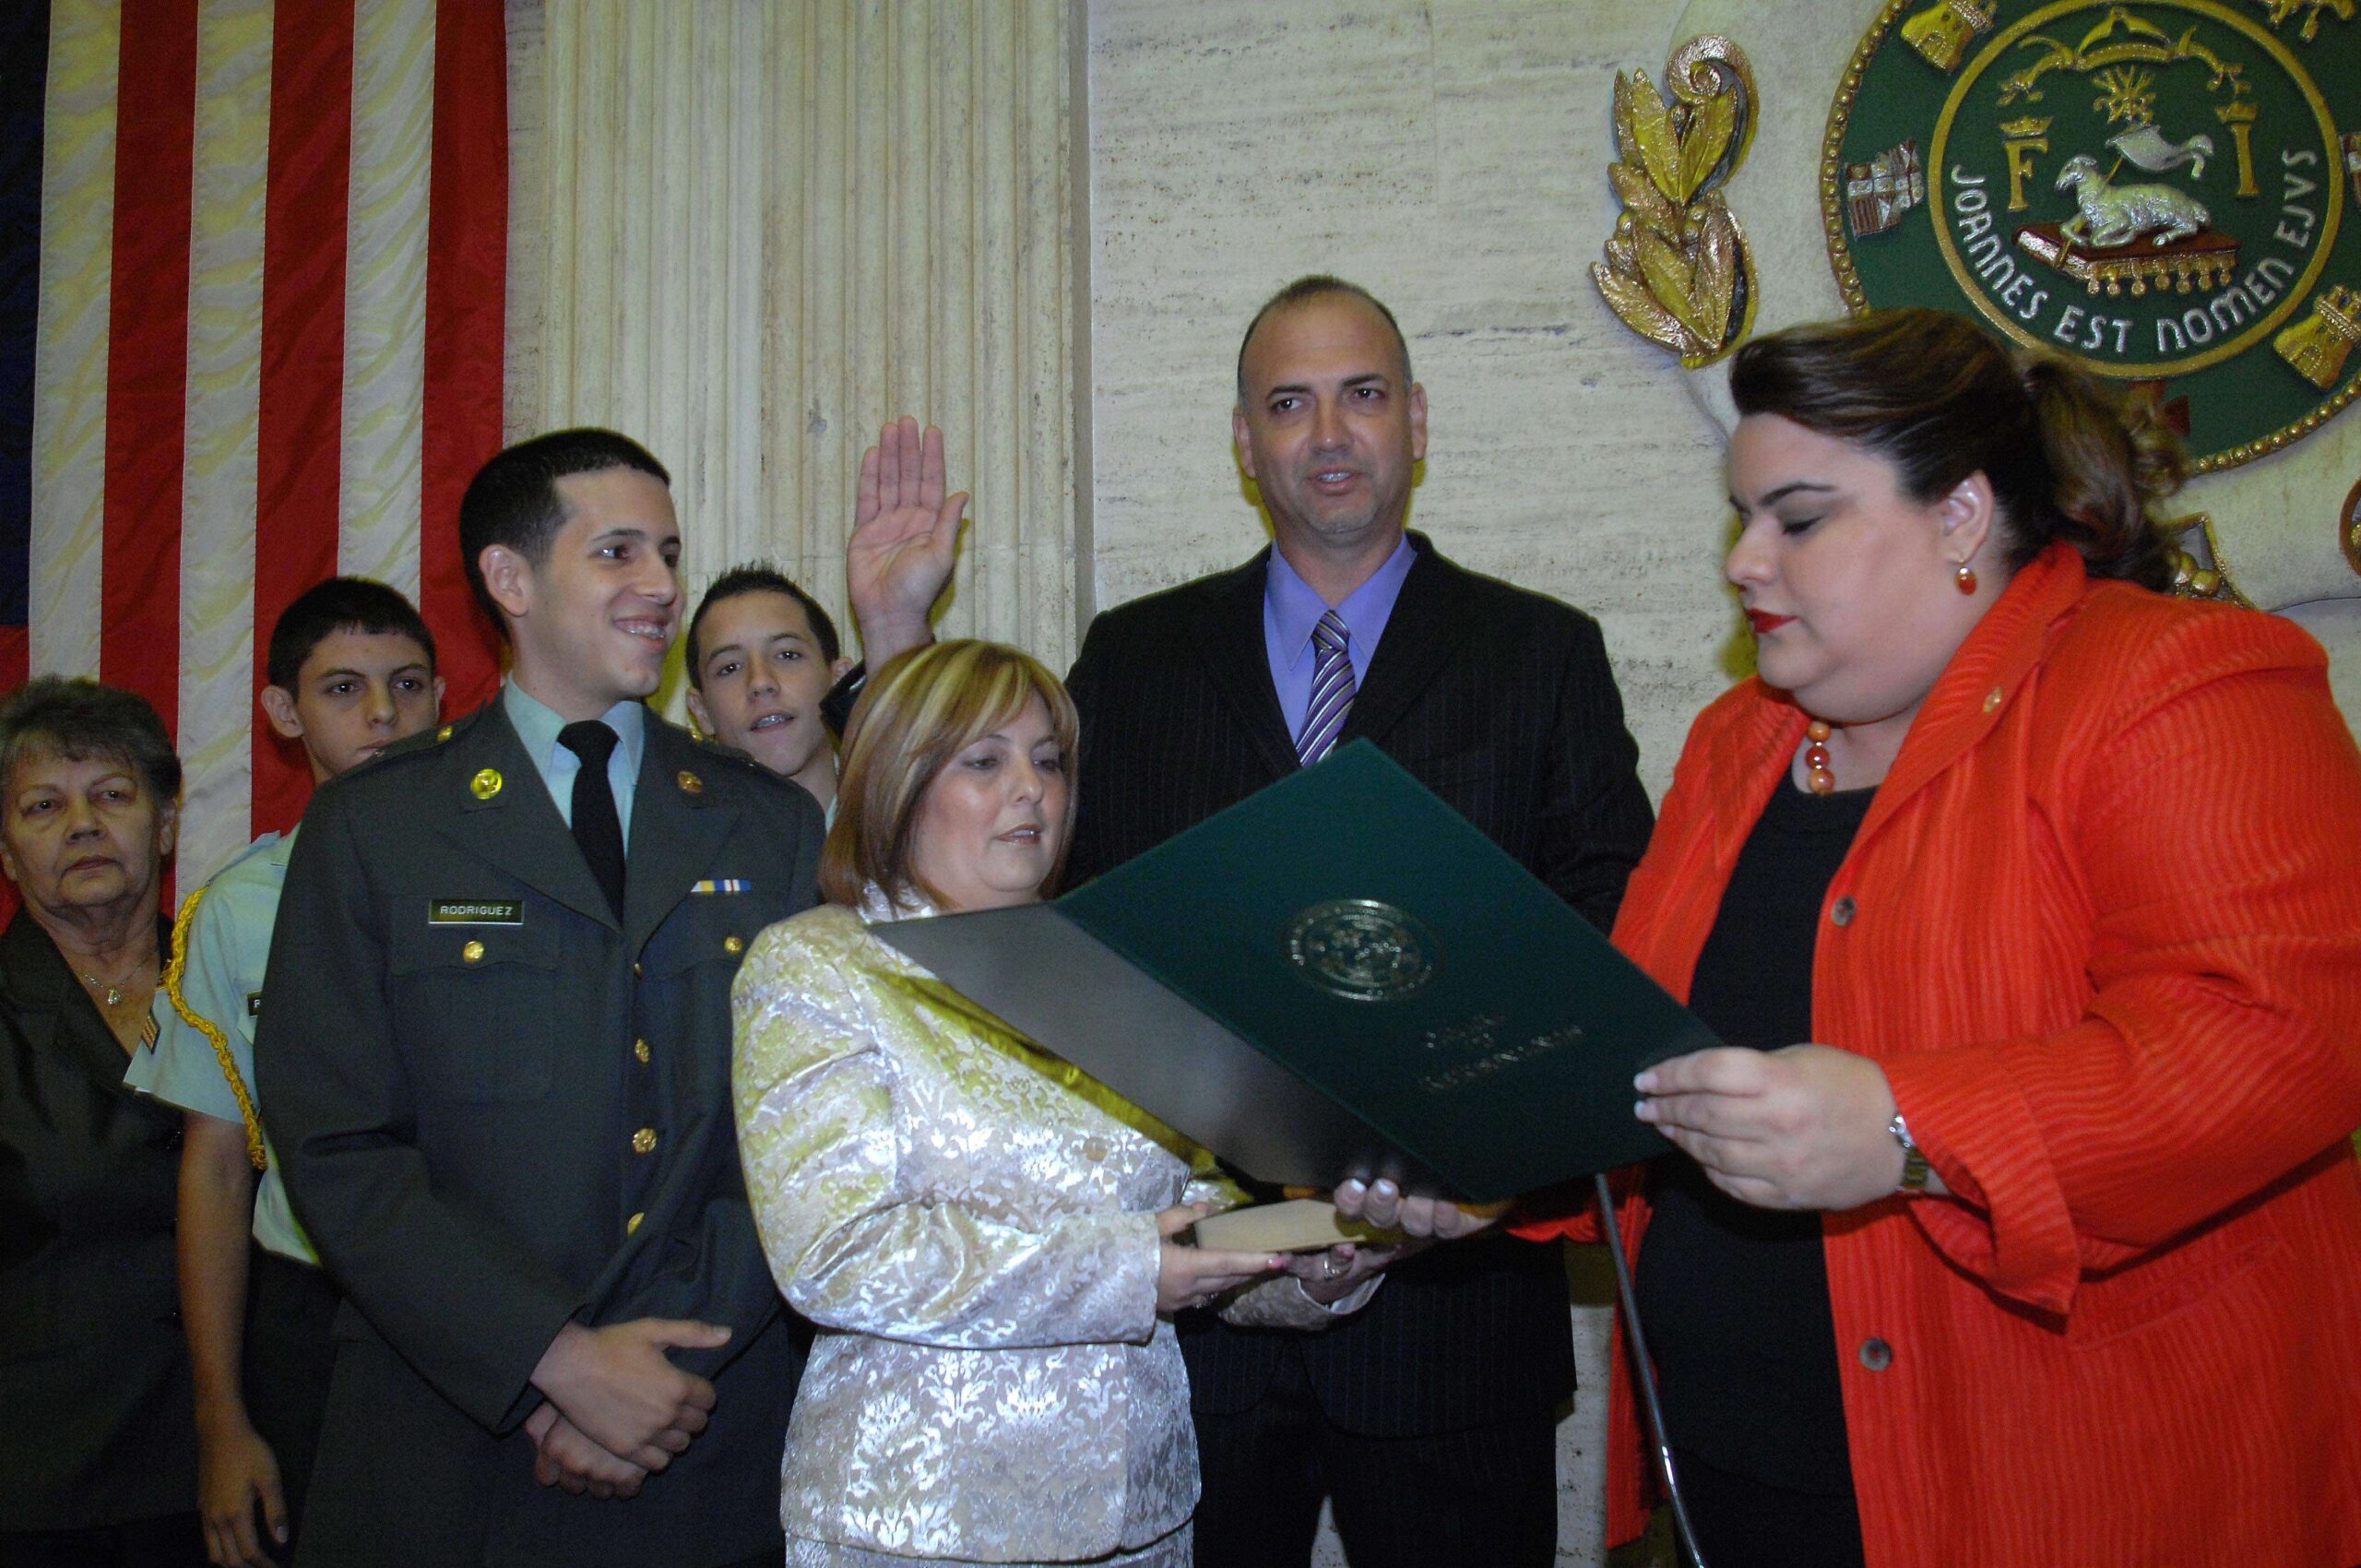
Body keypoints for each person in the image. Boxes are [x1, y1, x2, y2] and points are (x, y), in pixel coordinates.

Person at [1517, 308, 2361, 1568]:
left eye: (1798, 519)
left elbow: (2273, 1043)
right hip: (1732, 1494)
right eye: (1742, 518)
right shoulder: (1735, 743)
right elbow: (1651, 1062)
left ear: (1963, 516)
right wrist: (1475, 1149)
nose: (1745, 563)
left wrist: (1908, 1131)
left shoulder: (2182, 684)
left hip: (2075, 1500)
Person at [837, 279, 1655, 1567]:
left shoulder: (1538, 652)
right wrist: (896, 639)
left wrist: (1494, 1140)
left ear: (1418, 421)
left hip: (1454, 1323)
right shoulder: (1141, 655)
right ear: (1242, 442)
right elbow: (1022, 902)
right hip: (1192, 1319)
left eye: (1362, 394)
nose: (1329, 433)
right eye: (1289, 404)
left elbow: (1619, 928)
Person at [255, 430, 826, 1568]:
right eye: (616, 551)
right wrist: (553, 1357)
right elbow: (335, 1139)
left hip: (701, 1437)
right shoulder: (379, 826)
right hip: (450, 1445)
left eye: (667, 551)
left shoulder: (765, 821)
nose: (662, 586)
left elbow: (807, 1125)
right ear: (510, 581)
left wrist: (660, 1369)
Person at [732, 639, 1382, 1568]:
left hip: (1138, 1514)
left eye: (1048, 760)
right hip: (917, 1518)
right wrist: (1129, 1268)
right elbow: (837, 1252)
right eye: (985, 760)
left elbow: (1194, 1219)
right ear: (895, 780)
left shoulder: (1120, 967)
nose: (1033, 789)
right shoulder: (820, 965)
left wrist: (1313, 1257)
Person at [125, 578, 443, 1567]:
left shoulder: (504, 886)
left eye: (408, 684)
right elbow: (217, 1168)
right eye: (343, 687)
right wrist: (221, 1418)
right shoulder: (237, 906)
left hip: (467, 1286)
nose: (383, 714)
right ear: (281, 711)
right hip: (306, 1298)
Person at [0, 676, 205, 1566]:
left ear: (164, 824)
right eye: (44, 806)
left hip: (236, 1463)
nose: (82, 825)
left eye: (112, 796)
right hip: (42, 1484)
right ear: (7, 852)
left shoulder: (237, 984)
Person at [682, 564, 853, 814]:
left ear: (838, 680)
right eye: (729, 668)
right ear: (701, 712)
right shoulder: (678, 847)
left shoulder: (904, 827)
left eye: (787, 655)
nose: (760, 682)